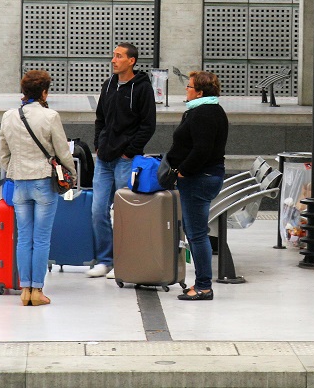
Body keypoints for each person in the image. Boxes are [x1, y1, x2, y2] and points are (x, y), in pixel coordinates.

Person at [0, 70, 75, 306]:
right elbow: (62, 151)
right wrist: (70, 173)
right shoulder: (50, 116)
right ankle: (37, 291)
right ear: (44, 92)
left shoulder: (9, 116)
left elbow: (3, 153)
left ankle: (25, 290)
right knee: (41, 239)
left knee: (24, 238)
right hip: (43, 182)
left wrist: (14, 169)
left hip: (19, 183)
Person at [88, 42, 157, 278]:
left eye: (118, 56)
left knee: (124, 212)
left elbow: (148, 125)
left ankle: (124, 261)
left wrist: (130, 151)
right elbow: (100, 118)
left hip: (126, 160)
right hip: (104, 159)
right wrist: (98, 144)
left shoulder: (142, 88)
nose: (113, 60)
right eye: (113, 56)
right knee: (98, 210)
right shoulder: (108, 85)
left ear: (131, 61)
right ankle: (105, 260)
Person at [165, 71, 229, 301]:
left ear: (200, 92)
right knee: (196, 233)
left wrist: (183, 171)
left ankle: (203, 286)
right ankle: (202, 283)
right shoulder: (208, 110)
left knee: (197, 234)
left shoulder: (204, 113)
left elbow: (202, 150)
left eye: (189, 86)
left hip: (199, 178)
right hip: (203, 176)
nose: (187, 89)